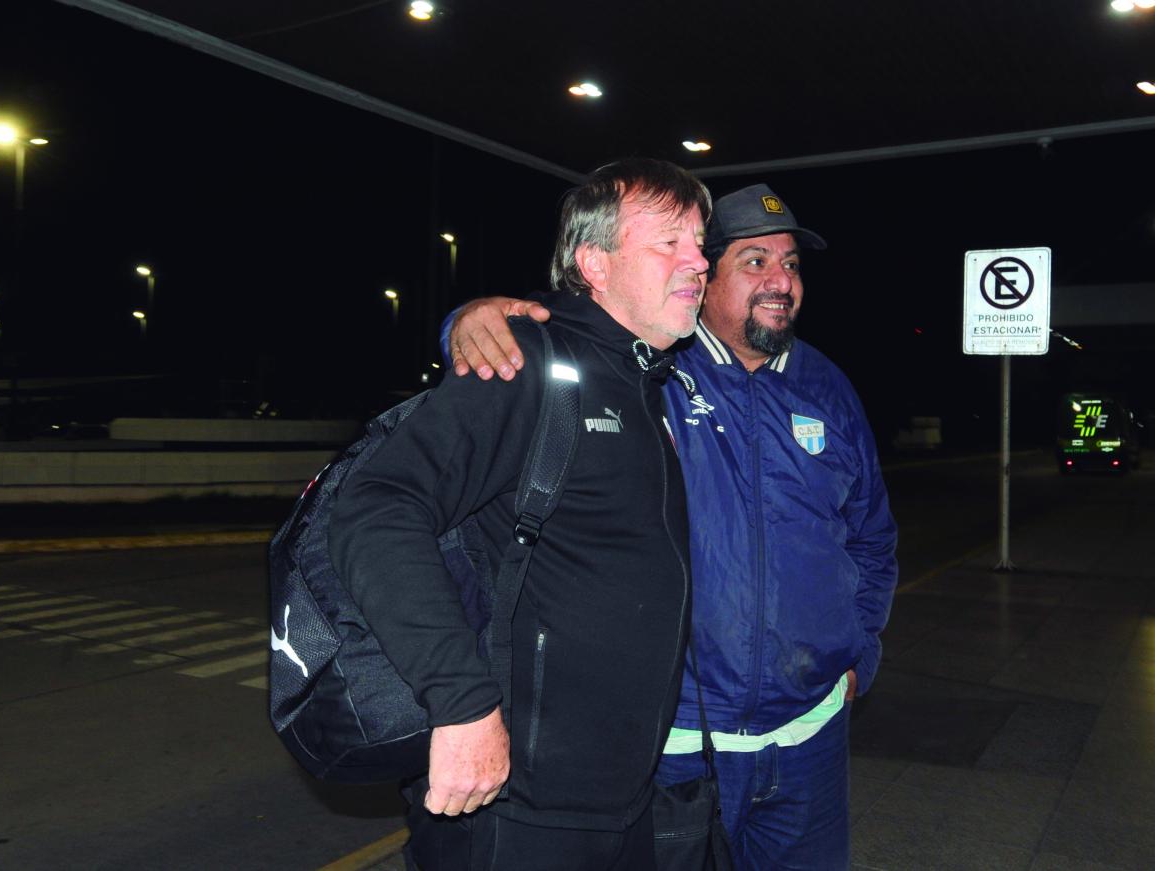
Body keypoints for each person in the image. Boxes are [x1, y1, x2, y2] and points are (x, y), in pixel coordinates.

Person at [446, 183, 898, 870]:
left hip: (809, 740)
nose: (782, 281)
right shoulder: (648, 368)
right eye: (755, 262)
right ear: (700, 275)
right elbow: (554, 341)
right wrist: (466, 318)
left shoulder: (829, 388)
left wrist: (858, 654)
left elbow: (871, 535)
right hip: (675, 745)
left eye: (791, 264)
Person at [329, 157, 711, 870]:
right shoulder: (528, 363)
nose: (699, 262)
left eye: (700, 241)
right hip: (521, 810)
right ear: (594, 262)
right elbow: (376, 509)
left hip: (621, 801)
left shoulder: (644, 379)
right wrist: (461, 702)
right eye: (671, 242)